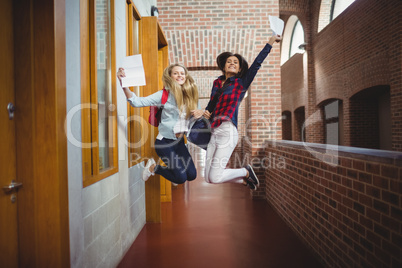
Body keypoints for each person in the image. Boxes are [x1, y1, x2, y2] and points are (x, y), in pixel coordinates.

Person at [192, 35, 282, 190]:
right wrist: (205, 113)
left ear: (240, 69)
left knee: (214, 176)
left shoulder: (241, 83)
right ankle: (245, 180)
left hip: (227, 131)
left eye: (236, 63)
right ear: (224, 66)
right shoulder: (217, 83)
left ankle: (245, 171)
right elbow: (211, 105)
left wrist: (271, 42)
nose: (232, 63)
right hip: (213, 131)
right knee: (208, 178)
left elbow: (257, 64)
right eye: (229, 61)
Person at [117, 64, 199, 184]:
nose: (179, 75)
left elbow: (197, 115)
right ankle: (153, 168)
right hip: (164, 142)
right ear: (170, 76)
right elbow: (137, 102)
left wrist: (201, 112)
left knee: (191, 175)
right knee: (180, 178)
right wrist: (123, 84)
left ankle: (157, 167)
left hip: (180, 142)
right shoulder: (164, 94)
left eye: (182, 73)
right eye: (175, 73)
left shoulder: (191, 96)